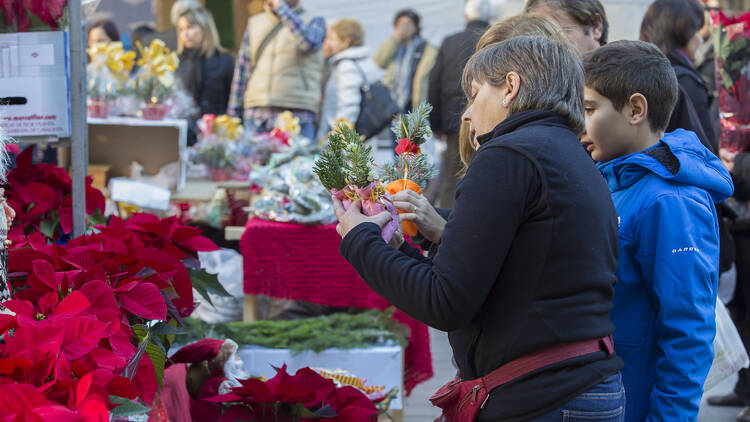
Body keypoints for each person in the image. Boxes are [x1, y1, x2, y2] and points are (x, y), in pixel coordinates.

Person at [334, 36, 624, 421]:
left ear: (510, 87)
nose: (467, 114)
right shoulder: (566, 152)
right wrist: (396, 248)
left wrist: (360, 238)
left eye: (474, 95)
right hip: (577, 387)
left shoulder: (508, 155)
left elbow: (444, 301)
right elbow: (493, 277)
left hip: (545, 396)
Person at [582, 40, 734, 422]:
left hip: (636, 401)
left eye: (588, 109)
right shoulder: (612, 179)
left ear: (635, 109)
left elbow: (688, 332)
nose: (577, 123)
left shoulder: (672, 203)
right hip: (603, 396)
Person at [228, 0, 325, 141]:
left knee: (301, 163)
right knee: (251, 163)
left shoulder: (314, 20)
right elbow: (242, 71)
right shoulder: (255, 23)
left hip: (298, 113)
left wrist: (282, 9)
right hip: (257, 113)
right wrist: (233, 115)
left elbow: (308, 43)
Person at [428, 0, 491, 208]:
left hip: (454, 121)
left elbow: (434, 83)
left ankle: (441, 233)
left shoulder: (449, 42)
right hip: (492, 122)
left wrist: (434, 123)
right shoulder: (499, 39)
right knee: (486, 176)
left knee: (450, 178)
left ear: (466, 16)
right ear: (489, 17)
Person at [640, 0, 717, 153]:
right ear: (683, 33)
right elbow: (704, 150)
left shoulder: (640, 71)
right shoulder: (686, 82)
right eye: (697, 31)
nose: (700, 39)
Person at [374, 9, 437, 117]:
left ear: (416, 26)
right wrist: (395, 38)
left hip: (414, 105)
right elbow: (379, 61)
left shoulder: (426, 48)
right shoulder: (393, 46)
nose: (404, 27)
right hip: (391, 105)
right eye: (400, 24)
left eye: (408, 23)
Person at [317, 19, 371, 140]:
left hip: (345, 139)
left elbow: (349, 105)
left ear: (346, 41)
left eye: (333, 39)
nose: (330, 44)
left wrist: (339, 138)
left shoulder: (347, 66)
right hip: (360, 135)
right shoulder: (361, 61)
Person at [175, 7, 234, 118]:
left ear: (204, 28)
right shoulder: (176, 62)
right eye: (181, 29)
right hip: (184, 126)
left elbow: (232, 99)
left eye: (190, 27)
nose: (185, 34)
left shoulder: (225, 60)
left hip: (215, 127)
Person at [523, 0, 607, 54]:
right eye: (535, 34)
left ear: (596, 27)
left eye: (558, 32)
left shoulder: (617, 78)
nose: (542, 43)